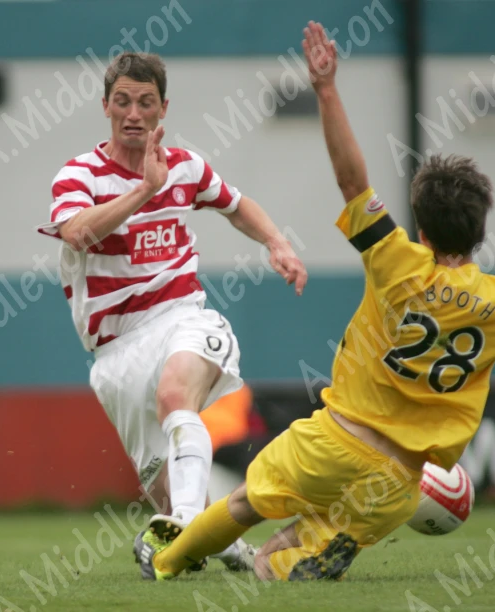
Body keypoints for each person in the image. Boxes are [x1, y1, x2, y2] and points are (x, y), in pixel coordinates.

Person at [133, 22, 495, 581]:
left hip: (335, 441)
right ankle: (310, 550)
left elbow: (352, 181)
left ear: (421, 227)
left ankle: (168, 560)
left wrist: (327, 91)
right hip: (402, 481)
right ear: (479, 232)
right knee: (269, 565)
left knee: (243, 508)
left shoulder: (396, 259)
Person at [37, 51, 307, 570]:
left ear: (163, 109)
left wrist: (278, 242)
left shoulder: (185, 166)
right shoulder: (78, 176)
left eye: (145, 102)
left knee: (174, 396)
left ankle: (183, 524)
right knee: (163, 484)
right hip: (115, 354)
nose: (133, 113)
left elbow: (235, 203)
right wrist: (144, 191)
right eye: (123, 102)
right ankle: (223, 545)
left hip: (183, 317)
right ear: (105, 107)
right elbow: (77, 231)